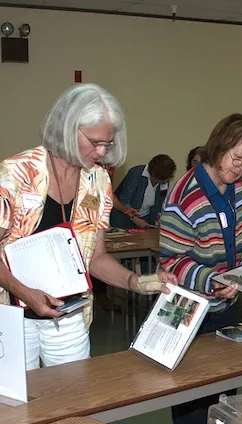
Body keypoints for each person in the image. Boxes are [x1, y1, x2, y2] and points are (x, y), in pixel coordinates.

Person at [0, 84, 177, 370]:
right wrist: (23, 291)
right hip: (11, 317)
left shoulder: (98, 181)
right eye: (95, 142)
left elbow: (95, 259)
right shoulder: (15, 174)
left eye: (108, 143)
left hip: (69, 318)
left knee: (73, 401)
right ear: (67, 128)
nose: (103, 151)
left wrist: (139, 282)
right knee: (17, 411)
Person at [159, 113, 242, 424]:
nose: (241, 168)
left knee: (223, 401)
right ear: (219, 145)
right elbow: (172, 261)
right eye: (237, 158)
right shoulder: (183, 196)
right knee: (192, 406)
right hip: (186, 311)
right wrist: (213, 279)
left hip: (224, 306)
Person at [110, 154, 176, 229]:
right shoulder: (136, 173)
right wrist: (134, 218)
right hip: (123, 218)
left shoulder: (165, 180)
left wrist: (158, 219)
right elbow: (124, 200)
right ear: (153, 174)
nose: (165, 182)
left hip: (145, 220)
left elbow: (159, 203)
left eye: (166, 180)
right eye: (162, 180)